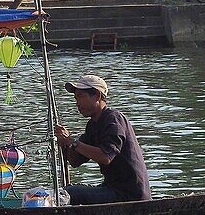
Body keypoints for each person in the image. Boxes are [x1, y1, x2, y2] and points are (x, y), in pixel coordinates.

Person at [54, 74, 151, 205]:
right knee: (68, 190)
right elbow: (75, 161)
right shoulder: (93, 124)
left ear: (97, 96)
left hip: (129, 194)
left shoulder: (114, 119)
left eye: (81, 97)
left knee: (69, 194)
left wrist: (73, 142)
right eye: (75, 98)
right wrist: (65, 144)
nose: (77, 103)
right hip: (112, 188)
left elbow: (106, 156)